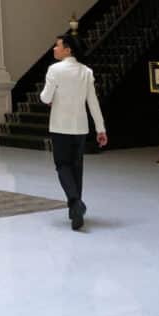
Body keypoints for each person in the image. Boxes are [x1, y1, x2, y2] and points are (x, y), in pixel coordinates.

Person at [40, 33, 107, 231]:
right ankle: (75, 209)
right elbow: (93, 103)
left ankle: (75, 203)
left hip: (60, 126)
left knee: (62, 165)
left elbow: (45, 98)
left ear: (68, 49)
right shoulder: (86, 72)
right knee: (77, 167)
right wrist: (100, 128)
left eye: (57, 45)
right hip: (80, 127)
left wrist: (51, 97)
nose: (54, 48)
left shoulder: (54, 70)